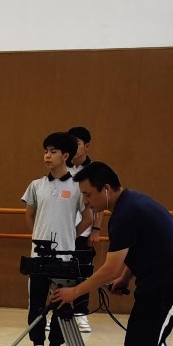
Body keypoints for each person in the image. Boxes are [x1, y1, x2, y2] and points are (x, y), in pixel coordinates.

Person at [51, 163, 173, 346]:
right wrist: (125, 278)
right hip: (157, 281)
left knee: (140, 344)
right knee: (151, 341)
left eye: (88, 194)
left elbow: (110, 268)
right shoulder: (130, 204)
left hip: (169, 284)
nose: (86, 201)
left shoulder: (126, 214)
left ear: (105, 189)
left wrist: (75, 292)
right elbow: (140, 249)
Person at [21, 132, 93, 346]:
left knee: (61, 302)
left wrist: (70, 236)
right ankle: (37, 345)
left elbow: (88, 217)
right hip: (38, 256)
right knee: (36, 302)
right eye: (46, 151)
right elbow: (29, 214)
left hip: (65, 256)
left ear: (65, 155)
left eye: (53, 152)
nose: (47, 156)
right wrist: (37, 236)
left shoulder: (77, 186)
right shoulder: (36, 185)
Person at [67, 126, 99, 334]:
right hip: (63, 232)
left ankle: (80, 313)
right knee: (58, 272)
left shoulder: (95, 170)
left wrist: (96, 229)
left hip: (85, 231)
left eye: (77, 143)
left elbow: (99, 203)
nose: (73, 147)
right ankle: (56, 312)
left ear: (86, 146)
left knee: (82, 273)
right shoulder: (62, 168)